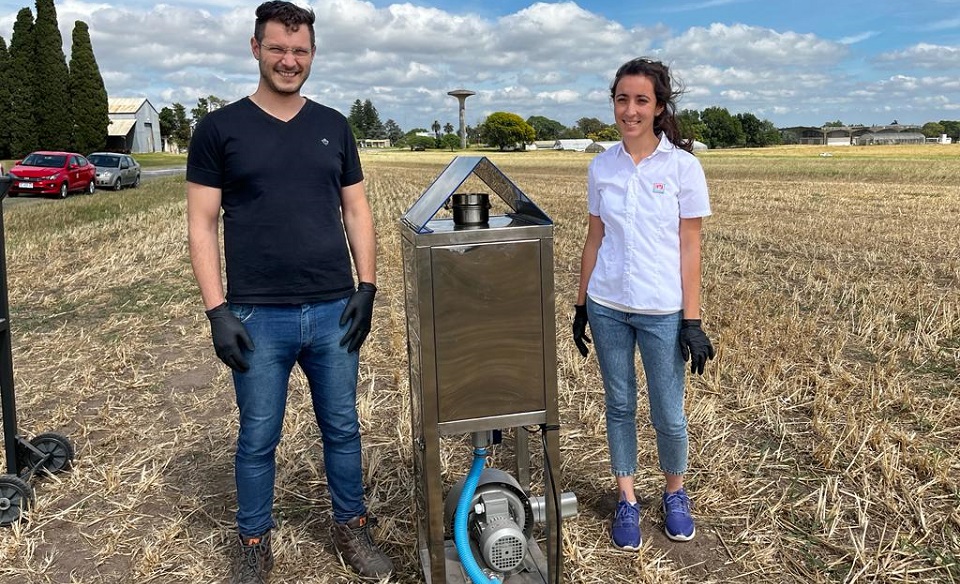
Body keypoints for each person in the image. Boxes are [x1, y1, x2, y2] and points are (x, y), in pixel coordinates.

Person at [185, 2, 392, 582]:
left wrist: (367, 286)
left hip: (333, 308)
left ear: (313, 55)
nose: (289, 60)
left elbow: (356, 207)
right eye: (277, 47)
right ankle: (254, 541)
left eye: (299, 50)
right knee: (257, 437)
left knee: (343, 428)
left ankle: (351, 529)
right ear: (256, 49)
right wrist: (217, 310)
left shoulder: (334, 125)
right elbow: (201, 222)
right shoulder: (220, 128)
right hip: (257, 315)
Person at [572, 57, 715, 551]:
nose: (629, 110)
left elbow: (690, 246)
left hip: (661, 311)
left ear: (658, 109)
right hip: (608, 303)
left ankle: (675, 494)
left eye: (641, 101)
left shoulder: (682, 167)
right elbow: (594, 238)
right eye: (621, 99)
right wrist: (580, 304)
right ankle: (627, 498)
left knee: (669, 412)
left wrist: (691, 320)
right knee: (618, 405)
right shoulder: (601, 165)